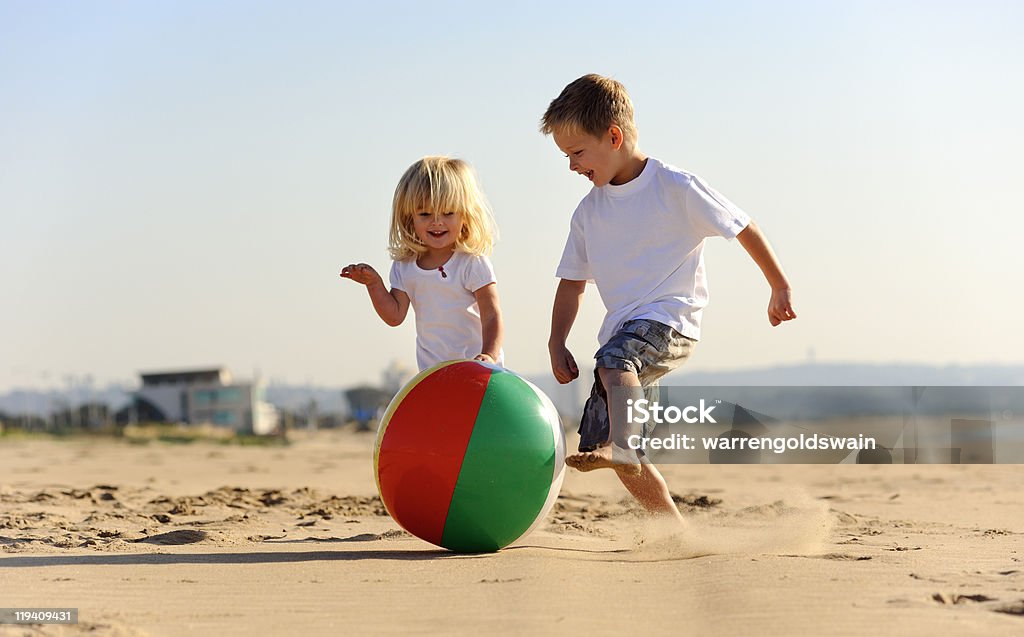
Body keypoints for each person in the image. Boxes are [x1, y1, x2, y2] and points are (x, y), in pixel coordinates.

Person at [540, 74, 796, 520]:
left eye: (577, 153)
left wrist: (778, 284)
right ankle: (672, 529)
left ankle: (621, 445)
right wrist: (556, 340)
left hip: (671, 321)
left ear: (614, 136)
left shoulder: (674, 186)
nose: (572, 167)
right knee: (616, 444)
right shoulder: (588, 214)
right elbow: (572, 283)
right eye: (566, 156)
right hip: (625, 338)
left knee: (614, 365)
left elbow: (742, 226)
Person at [340, 156, 503, 371]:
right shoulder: (405, 267)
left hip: (479, 372)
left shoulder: (471, 262)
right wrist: (374, 284)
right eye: (425, 214)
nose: (437, 222)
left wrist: (489, 355)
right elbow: (395, 316)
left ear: (464, 215)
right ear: (410, 219)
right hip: (434, 375)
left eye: (447, 213)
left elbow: (491, 314)